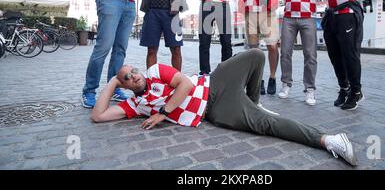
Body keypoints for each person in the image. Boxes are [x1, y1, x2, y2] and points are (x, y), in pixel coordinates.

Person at [90, 49, 358, 166]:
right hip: (215, 110)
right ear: (124, 86)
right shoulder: (135, 104)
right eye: (127, 77)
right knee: (269, 126)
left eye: (133, 70)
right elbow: (99, 116)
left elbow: (184, 85)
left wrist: (163, 112)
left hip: (214, 82)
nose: (134, 75)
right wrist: (113, 81)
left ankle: (255, 102)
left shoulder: (155, 70)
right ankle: (329, 140)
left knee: (255, 55)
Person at [272, 0, 324, 104]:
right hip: (288, 17)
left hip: (308, 16)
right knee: (286, 53)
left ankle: (310, 90)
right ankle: (286, 84)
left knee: (310, 54)